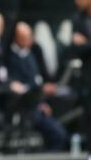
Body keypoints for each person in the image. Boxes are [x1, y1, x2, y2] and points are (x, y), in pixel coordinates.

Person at [6, 22, 68, 152]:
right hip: (20, 109)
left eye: (29, 37)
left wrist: (41, 101)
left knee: (59, 134)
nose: (29, 41)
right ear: (16, 38)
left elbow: (38, 79)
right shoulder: (8, 56)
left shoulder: (32, 53)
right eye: (24, 37)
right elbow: (15, 85)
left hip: (36, 106)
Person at [71, 0, 91, 160]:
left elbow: (82, 44)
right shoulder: (78, 19)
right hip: (87, 76)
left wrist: (86, 43)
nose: (76, 1)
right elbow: (75, 47)